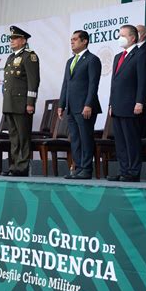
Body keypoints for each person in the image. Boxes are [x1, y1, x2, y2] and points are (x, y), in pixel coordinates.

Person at [58, 30, 102, 180]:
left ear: (84, 41)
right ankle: (77, 168)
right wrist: (61, 104)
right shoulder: (70, 61)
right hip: (71, 107)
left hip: (85, 107)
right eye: (71, 39)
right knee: (75, 139)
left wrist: (88, 104)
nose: (72, 42)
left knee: (85, 138)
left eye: (75, 39)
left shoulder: (92, 59)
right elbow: (66, 84)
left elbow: (93, 84)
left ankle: (87, 169)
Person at [107, 25, 146, 182]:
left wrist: (139, 102)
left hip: (131, 105)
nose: (119, 38)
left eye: (123, 35)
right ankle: (123, 170)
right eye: (119, 34)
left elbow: (143, 81)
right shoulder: (118, 56)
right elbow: (114, 82)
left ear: (132, 38)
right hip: (117, 105)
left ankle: (133, 172)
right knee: (120, 141)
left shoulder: (140, 54)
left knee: (132, 140)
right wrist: (111, 104)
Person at [1, 26, 40, 177]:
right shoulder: (11, 57)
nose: (11, 41)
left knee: (23, 136)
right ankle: (14, 165)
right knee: (14, 137)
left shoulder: (29, 56)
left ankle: (22, 167)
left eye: (15, 38)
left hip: (22, 102)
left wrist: (31, 102)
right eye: (11, 38)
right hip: (10, 102)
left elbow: (33, 80)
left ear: (23, 40)